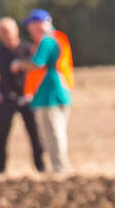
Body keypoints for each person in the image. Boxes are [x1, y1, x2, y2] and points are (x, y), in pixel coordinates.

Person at [10, 10, 73, 174]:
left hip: (50, 93)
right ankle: (59, 167)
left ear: (37, 24)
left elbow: (37, 63)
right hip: (59, 91)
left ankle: (60, 168)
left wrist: (18, 64)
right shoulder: (56, 39)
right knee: (56, 131)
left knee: (53, 132)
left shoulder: (46, 41)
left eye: (30, 25)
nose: (29, 30)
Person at [0, 17, 45, 176]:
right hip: (7, 99)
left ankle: (41, 167)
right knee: (2, 135)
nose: (8, 34)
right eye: (4, 32)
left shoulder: (28, 49)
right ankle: (0, 169)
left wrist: (33, 92)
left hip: (27, 98)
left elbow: (38, 71)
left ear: (16, 30)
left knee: (35, 133)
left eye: (10, 30)